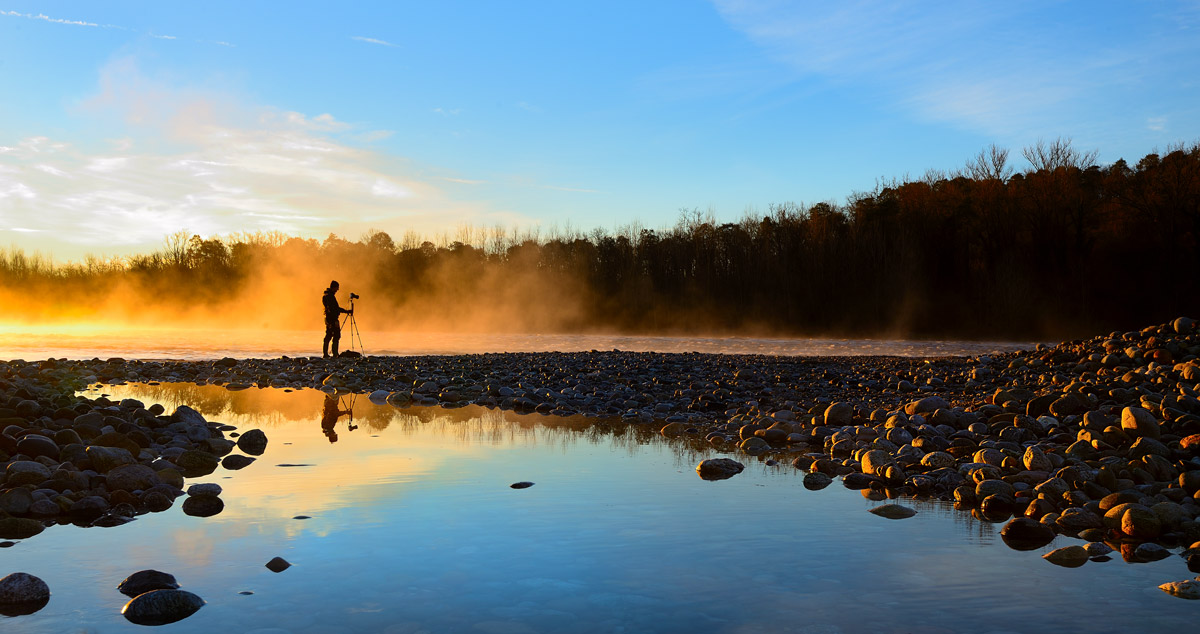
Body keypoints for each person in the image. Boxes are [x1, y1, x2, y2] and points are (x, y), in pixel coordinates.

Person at [322, 280, 353, 358]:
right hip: (333, 319)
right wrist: (346, 311)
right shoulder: (330, 296)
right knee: (336, 335)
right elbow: (335, 309)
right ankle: (335, 354)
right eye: (337, 288)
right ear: (334, 287)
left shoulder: (326, 295)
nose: (337, 290)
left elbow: (332, 308)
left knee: (328, 335)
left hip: (328, 318)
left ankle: (326, 354)